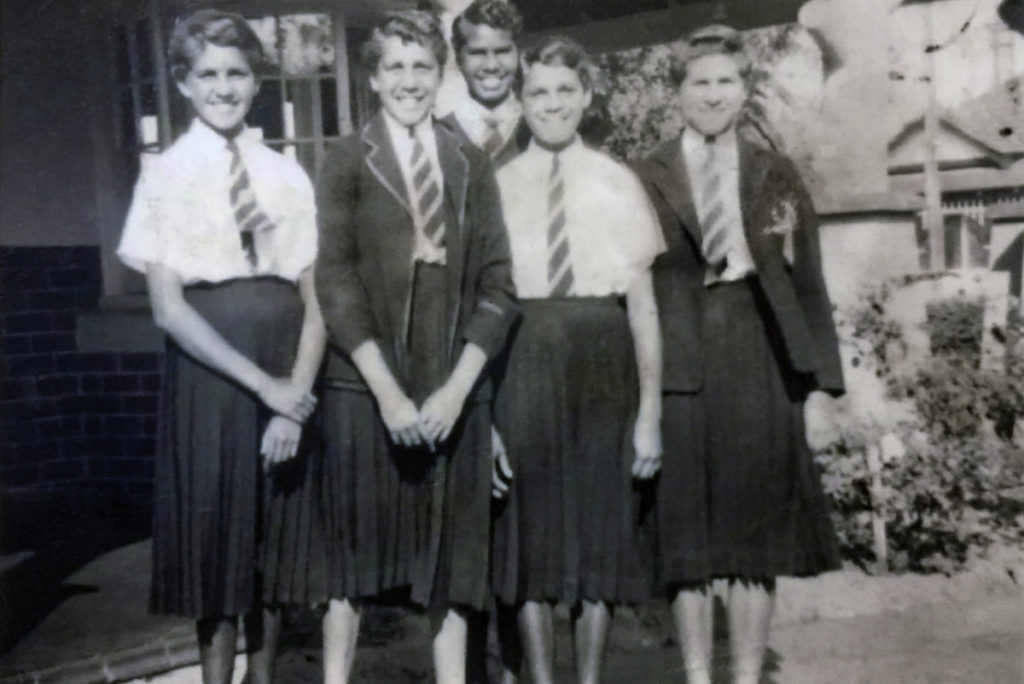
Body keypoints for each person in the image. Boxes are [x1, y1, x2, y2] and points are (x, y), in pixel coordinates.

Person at [116, 9, 327, 684]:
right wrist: (265, 389)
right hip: (213, 377)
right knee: (218, 559)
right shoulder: (165, 175)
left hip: (286, 362)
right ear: (182, 83)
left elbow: (317, 293)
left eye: (237, 73)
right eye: (208, 74)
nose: (224, 87)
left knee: (272, 552)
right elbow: (168, 308)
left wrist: (293, 395)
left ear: (256, 81)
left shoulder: (287, 173)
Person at [633, 25, 845, 684]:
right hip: (678, 362)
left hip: (757, 356)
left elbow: (809, 282)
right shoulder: (644, 174)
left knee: (755, 540)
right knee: (685, 538)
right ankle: (699, 675)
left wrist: (818, 390)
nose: (714, 94)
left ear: (745, 88)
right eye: (700, 82)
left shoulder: (775, 172)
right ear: (679, 93)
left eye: (727, 81)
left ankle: (747, 676)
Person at [313, 11, 519, 684]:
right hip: (366, 380)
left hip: (450, 378)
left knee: (453, 561)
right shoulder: (345, 158)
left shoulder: (469, 161)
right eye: (395, 67)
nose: (409, 81)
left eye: (422, 67)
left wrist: (459, 390)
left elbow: (498, 284)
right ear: (373, 78)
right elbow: (335, 282)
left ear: (441, 74)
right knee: (352, 560)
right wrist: (389, 392)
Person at [490, 36, 664, 684]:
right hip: (524, 358)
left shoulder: (618, 182)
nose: (553, 103)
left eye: (566, 90)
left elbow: (643, 306)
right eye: (539, 91)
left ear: (587, 97)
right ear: (521, 98)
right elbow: (481, 306)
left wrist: (648, 413)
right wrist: (485, 417)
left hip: (603, 363)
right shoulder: (497, 185)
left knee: (599, 528)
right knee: (530, 532)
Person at [443, 0, 530, 170]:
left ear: (518, 52)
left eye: (503, 51)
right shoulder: (438, 136)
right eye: (477, 53)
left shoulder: (538, 128)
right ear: (459, 57)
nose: (491, 66)